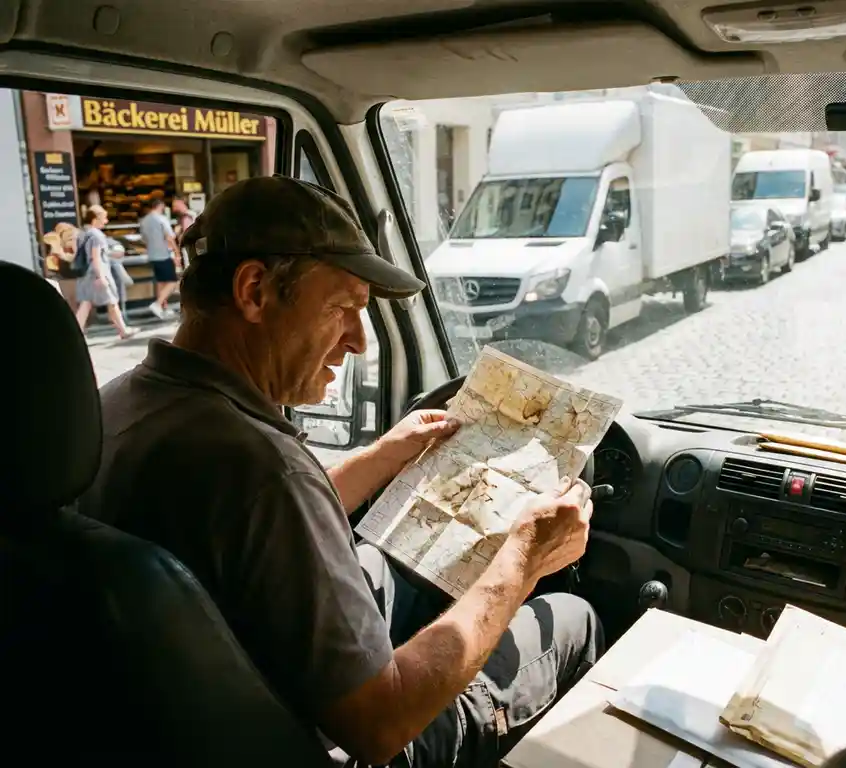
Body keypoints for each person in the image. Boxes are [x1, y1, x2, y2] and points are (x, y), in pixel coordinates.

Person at [80, 175, 602, 767]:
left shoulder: (121, 404)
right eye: (342, 308)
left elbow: (244, 533)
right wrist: (525, 556)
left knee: (389, 565)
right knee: (569, 619)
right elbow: (381, 726)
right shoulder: (265, 469)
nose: (358, 342)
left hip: (188, 717)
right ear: (254, 290)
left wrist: (383, 456)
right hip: (338, 740)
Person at [74, 205, 136, 340]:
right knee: (112, 301)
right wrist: (101, 277)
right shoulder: (97, 235)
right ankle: (123, 330)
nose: (106, 221)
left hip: (87, 274)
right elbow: (95, 257)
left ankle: (75, 333)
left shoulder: (83, 233)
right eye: (104, 218)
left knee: (87, 303)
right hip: (98, 273)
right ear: (95, 218)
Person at [139, 198, 181, 320]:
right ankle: (157, 304)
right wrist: (177, 253)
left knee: (161, 282)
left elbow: (144, 239)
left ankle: (163, 308)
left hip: (152, 255)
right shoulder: (162, 219)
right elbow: (169, 237)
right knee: (172, 282)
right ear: (160, 206)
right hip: (163, 254)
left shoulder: (144, 221)